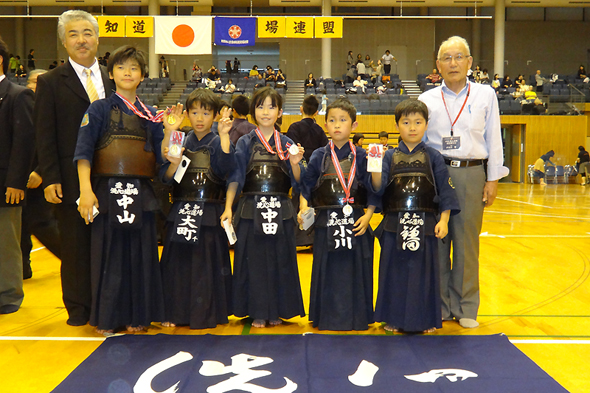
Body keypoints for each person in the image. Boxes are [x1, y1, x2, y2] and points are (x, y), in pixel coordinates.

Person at [74, 45, 169, 335]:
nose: (127, 73)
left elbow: (162, 158)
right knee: (109, 255)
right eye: (121, 67)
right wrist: (86, 190)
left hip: (141, 193)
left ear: (142, 76)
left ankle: (138, 316)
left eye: (134, 68)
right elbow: (84, 152)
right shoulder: (99, 109)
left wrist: (171, 131)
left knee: (142, 254)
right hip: (107, 191)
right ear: (111, 74)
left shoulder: (152, 115)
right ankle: (109, 317)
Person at [419, 36, 509, 329]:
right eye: (446, 58)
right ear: (437, 66)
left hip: (472, 173)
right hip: (436, 174)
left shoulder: (485, 95)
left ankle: (466, 305)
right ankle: (442, 306)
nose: (453, 63)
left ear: (470, 63)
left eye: (459, 57)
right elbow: (417, 141)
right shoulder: (427, 99)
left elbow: (493, 138)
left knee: (467, 245)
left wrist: (492, 178)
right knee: (438, 242)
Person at [34, 10, 116, 327]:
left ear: (97, 38)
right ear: (63, 42)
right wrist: (51, 177)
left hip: (111, 178)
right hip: (69, 180)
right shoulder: (51, 82)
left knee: (109, 244)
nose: (81, 40)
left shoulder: (115, 77)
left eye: (87, 33)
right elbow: (45, 134)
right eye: (73, 34)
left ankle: (109, 304)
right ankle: (79, 308)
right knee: (76, 246)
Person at [222, 86, 306, 329]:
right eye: (260, 106)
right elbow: (235, 177)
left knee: (281, 259)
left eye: (271, 106)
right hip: (250, 208)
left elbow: (299, 180)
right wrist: (228, 207)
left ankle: (278, 309)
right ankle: (256, 310)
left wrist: (295, 163)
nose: (266, 111)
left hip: (280, 208)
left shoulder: (288, 143)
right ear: (253, 111)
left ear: (280, 112)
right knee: (254, 261)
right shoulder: (245, 142)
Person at [374, 99, 460, 334]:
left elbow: (445, 191)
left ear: (426, 125)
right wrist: (373, 172)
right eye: (406, 122)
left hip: (425, 226)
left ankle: (424, 319)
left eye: (418, 122)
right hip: (394, 224)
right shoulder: (388, 157)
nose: (412, 127)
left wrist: (443, 220)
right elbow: (378, 190)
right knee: (394, 273)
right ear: (397, 125)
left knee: (424, 275)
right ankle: (392, 318)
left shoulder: (434, 157)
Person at [298, 97, 379, 331]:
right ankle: (325, 316)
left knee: (355, 269)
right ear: (325, 125)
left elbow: (375, 190)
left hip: (356, 220)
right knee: (328, 268)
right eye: (332, 120)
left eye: (343, 120)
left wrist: (369, 215)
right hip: (326, 222)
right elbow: (306, 185)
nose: (337, 125)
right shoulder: (319, 156)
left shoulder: (363, 156)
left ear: (353, 125)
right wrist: (304, 206)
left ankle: (358, 316)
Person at [159, 88, 235, 329]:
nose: (200, 118)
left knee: (207, 266)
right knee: (177, 266)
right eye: (194, 112)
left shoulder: (217, 140)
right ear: (188, 115)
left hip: (210, 212)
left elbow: (226, 170)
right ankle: (173, 311)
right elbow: (166, 179)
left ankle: (208, 313)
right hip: (181, 210)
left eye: (206, 112)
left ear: (214, 116)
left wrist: (224, 136)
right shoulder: (180, 139)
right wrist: (172, 161)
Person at [0, 36, 35, 315]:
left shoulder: (17, 95)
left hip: (5, 183)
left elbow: (24, 142)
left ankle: (9, 295)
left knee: (6, 242)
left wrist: (16, 181)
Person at [21, 69, 62, 280]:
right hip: (20, 176)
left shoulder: (56, 108)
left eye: (38, 82)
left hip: (44, 175)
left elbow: (55, 143)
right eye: (31, 81)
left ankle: (70, 258)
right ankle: (22, 267)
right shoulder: (22, 104)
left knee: (42, 223)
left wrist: (40, 172)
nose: (33, 85)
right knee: (20, 224)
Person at [286, 95, 329, 247]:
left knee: (298, 202)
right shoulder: (320, 131)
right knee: (312, 203)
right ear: (317, 112)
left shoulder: (294, 128)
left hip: (299, 170)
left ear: (301, 109)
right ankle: (311, 239)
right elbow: (326, 153)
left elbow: (289, 151)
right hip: (316, 174)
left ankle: (299, 239)